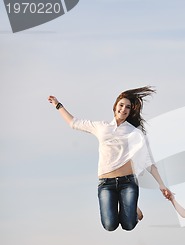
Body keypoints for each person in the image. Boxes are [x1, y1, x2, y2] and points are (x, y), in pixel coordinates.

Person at [48, 86, 172, 232]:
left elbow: (148, 162)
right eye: (121, 105)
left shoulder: (135, 133)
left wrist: (162, 185)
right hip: (106, 184)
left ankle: (132, 209)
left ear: (130, 111)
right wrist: (58, 105)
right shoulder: (101, 126)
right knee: (110, 225)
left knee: (128, 225)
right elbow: (74, 123)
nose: (123, 109)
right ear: (115, 107)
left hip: (128, 182)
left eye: (128, 107)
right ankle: (130, 206)